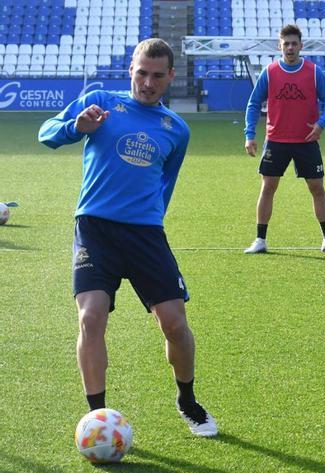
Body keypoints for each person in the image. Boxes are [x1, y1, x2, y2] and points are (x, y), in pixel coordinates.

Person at [38, 38, 217, 437]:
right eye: (141, 73)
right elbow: (46, 133)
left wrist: (148, 218)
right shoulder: (101, 101)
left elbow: (164, 186)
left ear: (171, 77)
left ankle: (187, 400)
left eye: (157, 75)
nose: (147, 83)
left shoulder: (177, 130)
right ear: (130, 70)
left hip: (145, 235)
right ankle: (98, 418)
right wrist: (75, 127)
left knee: (174, 322)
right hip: (95, 230)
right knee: (91, 316)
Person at [243, 24, 325, 255]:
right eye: (286, 43)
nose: (290, 47)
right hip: (276, 140)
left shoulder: (314, 71)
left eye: (294, 43)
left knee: (317, 187)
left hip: (306, 141)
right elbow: (253, 103)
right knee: (268, 187)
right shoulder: (269, 72)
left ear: (301, 46)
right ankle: (260, 240)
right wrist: (250, 134)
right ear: (280, 46)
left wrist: (321, 124)